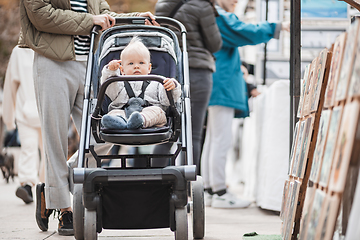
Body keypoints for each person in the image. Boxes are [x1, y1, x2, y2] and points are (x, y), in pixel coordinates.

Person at [18, 0, 156, 236]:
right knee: (56, 137)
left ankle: (53, 187)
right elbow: (40, 14)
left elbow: (103, 15)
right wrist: (89, 21)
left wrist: (135, 16)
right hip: (52, 62)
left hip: (87, 64)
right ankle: (64, 208)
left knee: (102, 135)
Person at [201, 0, 290, 209]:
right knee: (221, 139)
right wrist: (276, 26)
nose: (236, 1)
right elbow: (243, 31)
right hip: (221, 83)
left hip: (215, 81)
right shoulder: (220, 16)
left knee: (214, 139)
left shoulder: (212, 15)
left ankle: (209, 189)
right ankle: (219, 191)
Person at [155, 0, 223, 174]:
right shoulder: (202, 6)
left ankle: (153, 182)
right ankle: (187, 186)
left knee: (166, 131)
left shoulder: (162, 4)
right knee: (193, 134)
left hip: (169, 73)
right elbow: (215, 44)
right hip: (197, 72)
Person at [100, 37, 181, 130]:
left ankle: (140, 120)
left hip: (150, 112)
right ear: (122, 69)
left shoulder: (157, 82)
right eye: (131, 63)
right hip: (123, 111)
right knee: (113, 113)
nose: (136, 66)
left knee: (157, 112)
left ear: (149, 68)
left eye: (141, 63)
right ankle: (119, 122)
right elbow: (109, 89)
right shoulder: (119, 82)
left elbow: (166, 101)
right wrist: (111, 72)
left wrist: (172, 87)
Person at [2, 46, 45, 204]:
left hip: (46, 109)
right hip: (25, 111)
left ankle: (43, 185)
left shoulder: (50, 45)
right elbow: (10, 86)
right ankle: (27, 185)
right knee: (29, 147)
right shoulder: (18, 51)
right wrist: (9, 118)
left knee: (48, 152)